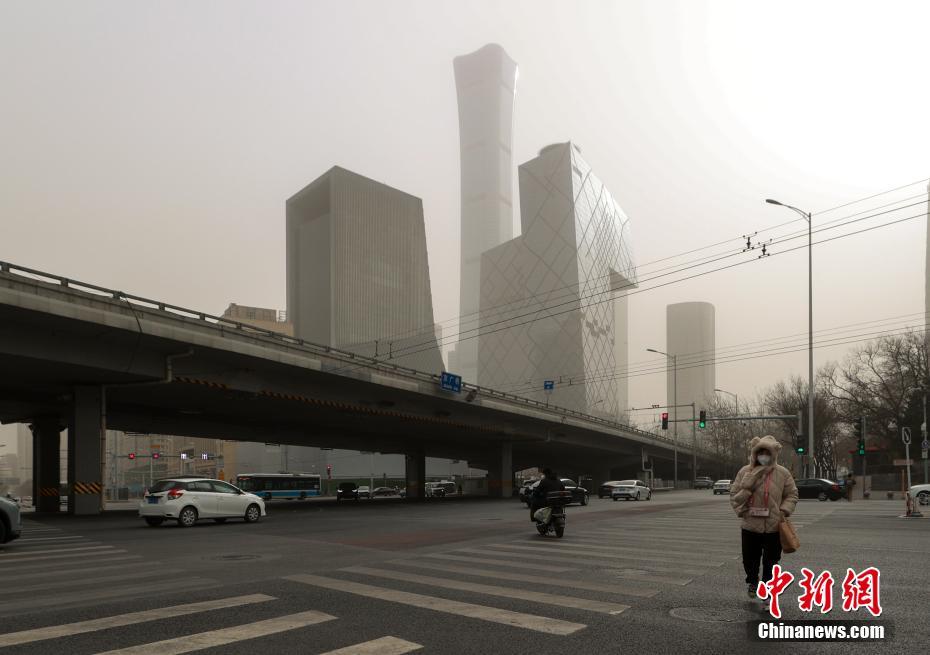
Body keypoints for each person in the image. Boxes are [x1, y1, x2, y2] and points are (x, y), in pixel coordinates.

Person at [730, 435, 799, 602]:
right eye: (760, 453)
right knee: (749, 559)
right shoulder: (745, 472)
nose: (763, 456)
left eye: (766, 453)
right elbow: (733, 495)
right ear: (754, 454)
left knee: (771, 561)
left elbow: (792, 494)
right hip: (750, 525)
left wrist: (784, 510)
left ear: (773, 454)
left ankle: (767, 587)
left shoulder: (782, 473)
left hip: (774, 526)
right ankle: (752, 581)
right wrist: (742, 510)